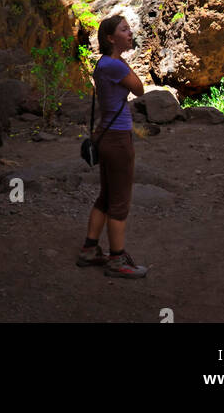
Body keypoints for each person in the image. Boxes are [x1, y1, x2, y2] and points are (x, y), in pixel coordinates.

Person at [77, 14, 148, 278]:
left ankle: (89, 249)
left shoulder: (104, 64)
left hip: (104, 135)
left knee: (106, 197)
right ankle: (117, 261)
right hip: (118, 139)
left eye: (130, 28)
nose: (130, 33)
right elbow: (139, 88)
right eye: (124, 30)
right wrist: (124, 60)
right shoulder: (115, 66)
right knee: (119, 202)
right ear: (110, 38)